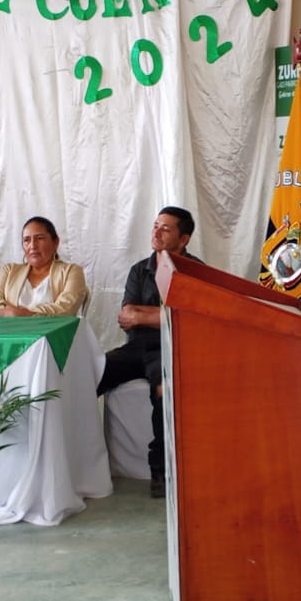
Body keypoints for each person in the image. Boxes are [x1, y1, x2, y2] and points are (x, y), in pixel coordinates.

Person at [96, 207, 196, 498]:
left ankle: (161, 471)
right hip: (135, 347)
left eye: (165, 228)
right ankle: (78, 459)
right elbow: (127, 314)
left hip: (170, 347)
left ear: (184, 239)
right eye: (155, 225)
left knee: (164, 390)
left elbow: (190, 319)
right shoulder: (140, 269)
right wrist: (165, 314)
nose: (156, 232)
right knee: (91, 373)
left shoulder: (195, 271)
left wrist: (146, 315)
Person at [0, 217, 88, 317]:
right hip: (10, 330)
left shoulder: (71, 272)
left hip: (54, 330)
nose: (33, 246)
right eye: (26, 240)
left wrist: (22, 314)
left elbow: (66, 309)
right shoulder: (9, 271)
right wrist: (18, 313)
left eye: (40, 238)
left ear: (55, 242)